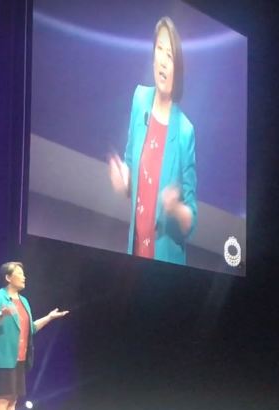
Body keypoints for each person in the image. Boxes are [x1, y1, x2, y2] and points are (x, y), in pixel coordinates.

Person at [109, 16, 197, 265]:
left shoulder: (185, 131)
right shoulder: (139, 98)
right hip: (135, 248)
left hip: (165, 261)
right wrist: (123, 181)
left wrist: (175, 208)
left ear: (178, 70)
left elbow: (191, 220)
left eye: (170, 56)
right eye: (160, 49)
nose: (163, 61)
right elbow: (131, 166)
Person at [0, 262, 69, 410]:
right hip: (2, 357)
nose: (24, 277)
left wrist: (49, 317)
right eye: (20, 273)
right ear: (8, 277)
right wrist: (1, 314)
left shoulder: (24, 301)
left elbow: (30, 329)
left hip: (19, 358)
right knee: (2, 398)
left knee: (12, 399)